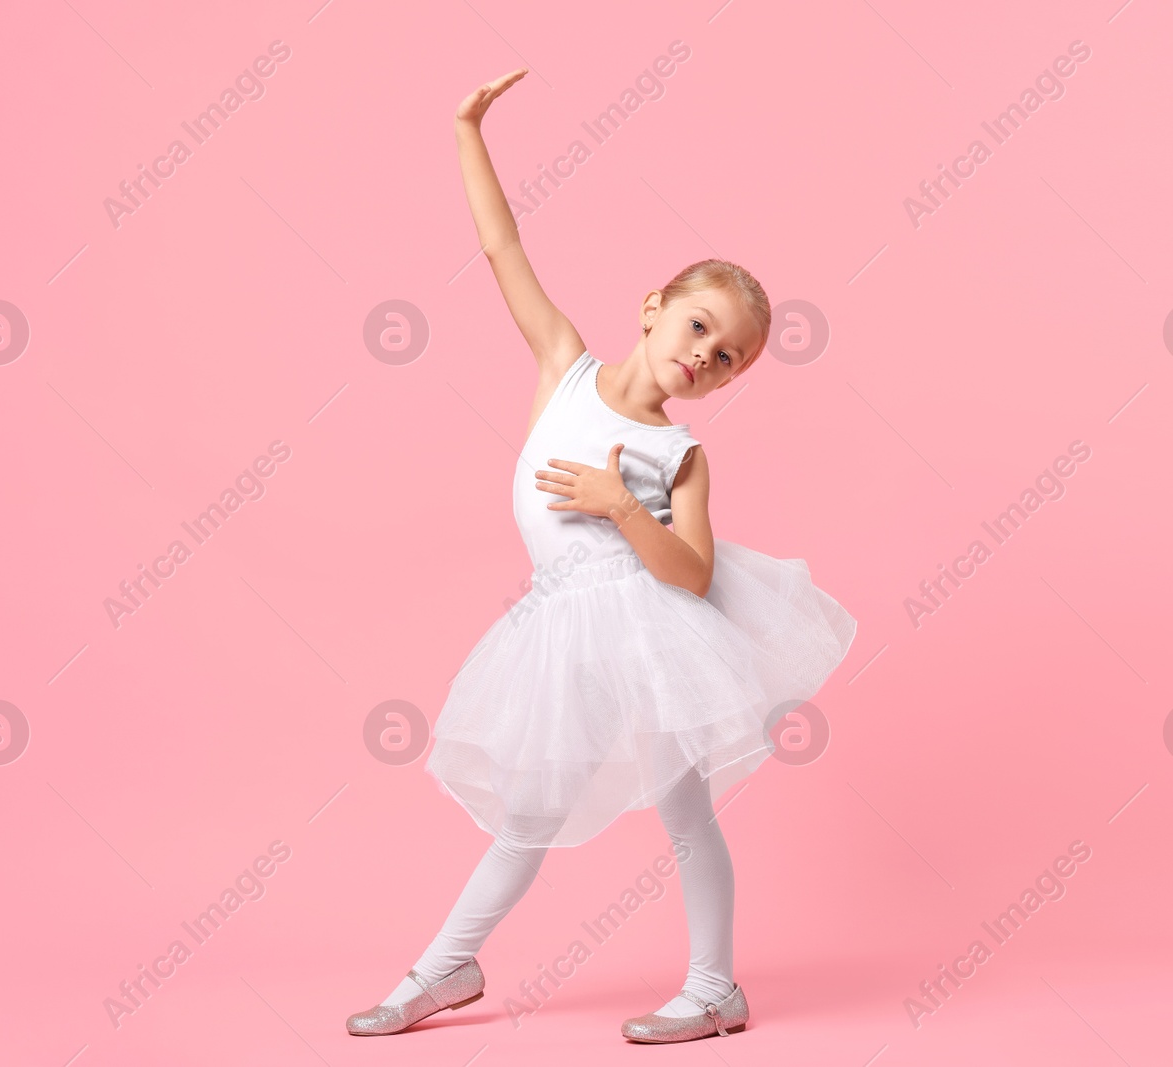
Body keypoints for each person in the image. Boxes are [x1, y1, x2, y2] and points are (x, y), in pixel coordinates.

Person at [347, 68, 857, 1044]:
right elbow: (501, 246)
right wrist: (466, 129)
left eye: (729, 359)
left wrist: (622, 503)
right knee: (529, 812)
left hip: (653, 631)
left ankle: (713, 987)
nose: (705, 356)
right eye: (701, 326)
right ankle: (444, 968)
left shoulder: (681, 453)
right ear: (655, 304)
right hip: (559, 629)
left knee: (683, 810)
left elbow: (692, 574)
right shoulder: (563, 364)